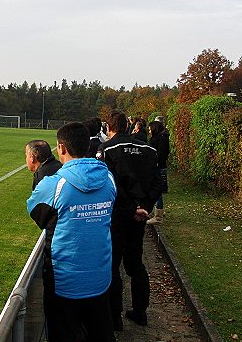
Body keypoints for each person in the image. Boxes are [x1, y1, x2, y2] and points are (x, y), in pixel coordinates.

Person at [27, 122, 117, 342]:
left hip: (64, 281)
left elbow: (37, 214)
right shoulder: (109, 179)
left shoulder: (54, 184)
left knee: (62, 334)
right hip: (100, 277)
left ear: (62, 148)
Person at [96, 110, 164, 330]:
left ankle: (114, 316)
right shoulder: (149, 150)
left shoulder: (107, 149)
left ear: (109, 128)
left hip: (117, 215)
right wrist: (144, 207)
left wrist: (131, 207)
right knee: (135, 263)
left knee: (113, 265)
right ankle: (140, 311)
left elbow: (110, 184)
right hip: (139, 217)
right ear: (127, 126)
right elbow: (157, 183)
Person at [147, 120, 170, 225]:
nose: (149, 130)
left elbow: (160, 154)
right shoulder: (161, 138)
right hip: (158, 167)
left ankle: (159, 216)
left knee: (157, 191)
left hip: (158, 167)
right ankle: (157, 211)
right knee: (156, 190)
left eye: (150, 128)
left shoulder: (160, 139)